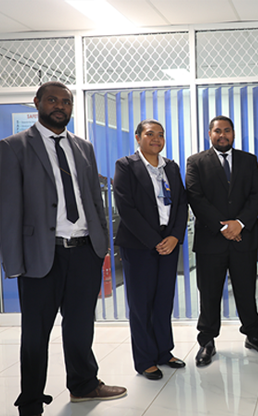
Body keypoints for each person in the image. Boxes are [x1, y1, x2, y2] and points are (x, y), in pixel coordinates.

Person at [0, 81, 126, 415]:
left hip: (85, 250)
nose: (60, 106)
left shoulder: (83, 147)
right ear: (37, 102)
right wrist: (13, 263)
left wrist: (101, 246)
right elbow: (9, 209)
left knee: (82, 324)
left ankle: (84, 384)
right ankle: (30, 401)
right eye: (53, 100)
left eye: (66, 102)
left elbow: (94, 202)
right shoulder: (13, 147)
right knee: (35, 333)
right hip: (42, 254)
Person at [187, 115, 258, 366]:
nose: (222, 135)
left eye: (227, 130)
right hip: (211, 240)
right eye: (217, 131)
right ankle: (207, 342)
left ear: (233, 134)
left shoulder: (249, 160)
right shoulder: (196, 162)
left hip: (243, 238)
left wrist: (240, 223)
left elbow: (257, 193)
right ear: (209, 134)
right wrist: (223, 226)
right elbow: (196, 197)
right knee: (210, 294)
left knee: (247, 291)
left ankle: (253, 336)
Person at [113, 119, 188, 380]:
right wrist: (155, 240)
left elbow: (181, 205)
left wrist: (175, 237)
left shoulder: (172, 167)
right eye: (149, 134)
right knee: (141, 304)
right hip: (139, 245)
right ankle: (145, 359)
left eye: (160, 135)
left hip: (169, 242)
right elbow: (126, 208)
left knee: (163, 301)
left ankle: (164, 352)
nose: (156, 139)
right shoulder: (126, 166)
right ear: (138, 137)